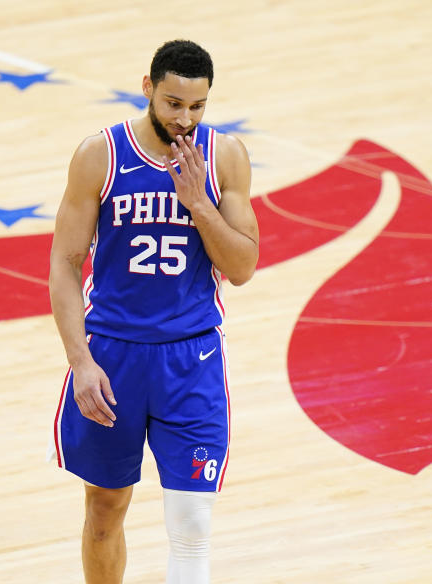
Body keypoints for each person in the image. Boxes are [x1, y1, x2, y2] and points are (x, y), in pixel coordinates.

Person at [49, 39, 259, 584]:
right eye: (172, 104)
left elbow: (242, 266)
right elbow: (66, 264)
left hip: (192, 359)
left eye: (196, 107)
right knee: (104, 512)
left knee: (191, 521)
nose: (184, 119)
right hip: (114, 357)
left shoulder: (225, 157)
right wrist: (80, 363)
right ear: (147, 89)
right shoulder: (100, 155)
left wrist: (198, 204)